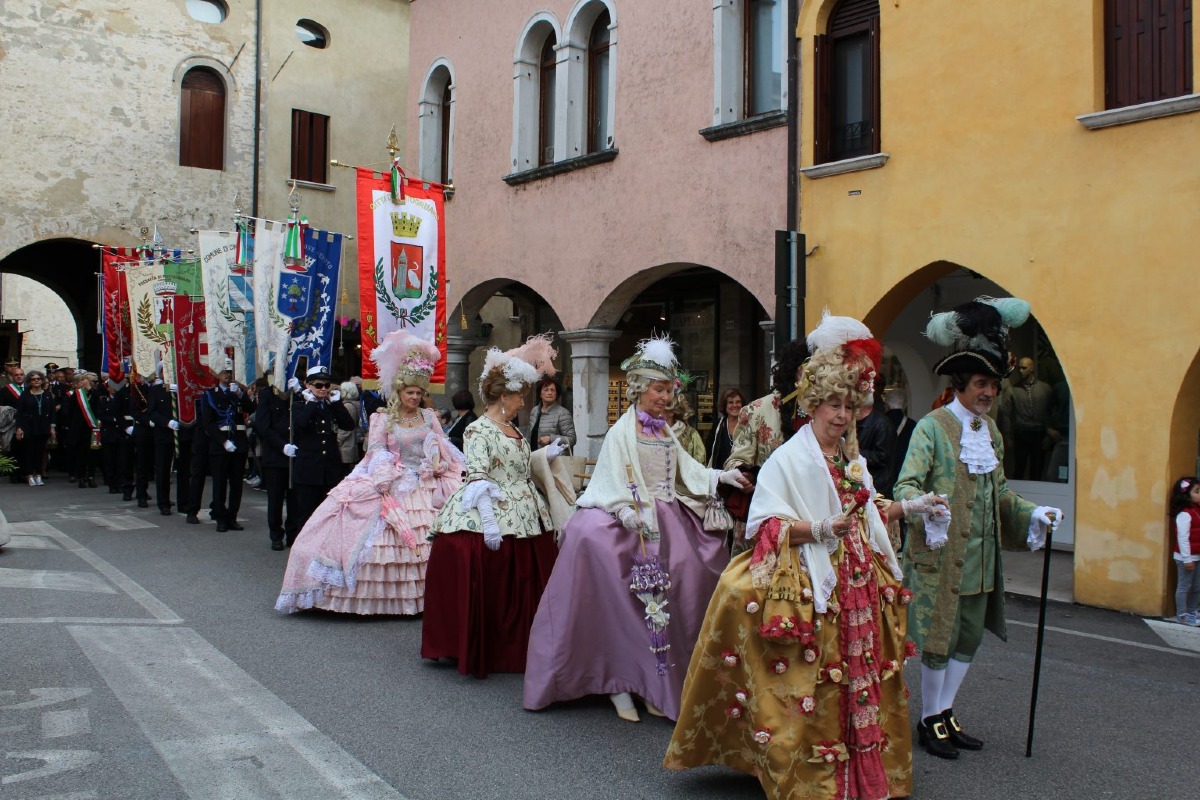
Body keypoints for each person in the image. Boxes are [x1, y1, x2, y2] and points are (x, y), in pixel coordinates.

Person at [665, 315, 938, 800]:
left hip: (855, 573)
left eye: (847, 406)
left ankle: (856, 768)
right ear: (812, 405)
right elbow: (764, 524)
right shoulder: (788, 458)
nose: (840, 415)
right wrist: (818, 528)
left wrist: (909, 507)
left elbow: (867, 510)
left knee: (859, 673)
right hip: (811, 575)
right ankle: (809, 777)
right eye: (832, 404)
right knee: (812, 679)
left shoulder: (849, 459)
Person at [524, 335, 752, 722]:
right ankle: (619, 681)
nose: (665, 397)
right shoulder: (621, 431)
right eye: (659, 390)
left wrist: (721, 476)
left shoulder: (665, 431)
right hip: (627, 515)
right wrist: (624, 511)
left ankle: (656, 679)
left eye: (668, 390)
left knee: (686, 576)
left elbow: (687, 471)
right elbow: (610, 478)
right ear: (641, 391)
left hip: (665, 515)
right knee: (618, 585)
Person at [893, 297, 1063, 760]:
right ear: (961, 385)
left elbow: (1001, 491)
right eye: (982, 384)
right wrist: (927, 506)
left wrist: (1032, 514)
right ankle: (930, 718)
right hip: (941, 555)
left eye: (994, 385)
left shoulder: (993, 433)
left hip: (982, 561)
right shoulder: (931, 427)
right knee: (937, 639)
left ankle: (946, 712)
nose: (989, 393)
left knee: (967, 638)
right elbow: (906, 484)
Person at [276, 332, 465, 613]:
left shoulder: (428, 417)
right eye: (410, 392)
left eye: (419, 392)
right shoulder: (383, 418)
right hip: (393, 478)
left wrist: (447, 465)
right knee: (370, 536)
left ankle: (432, 600)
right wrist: (383, 476)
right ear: (399, 392)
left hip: (427, 483)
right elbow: (376, 450)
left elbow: (443, 446)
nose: (415, 397)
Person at [422, 334, 563, 677]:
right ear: (503, 396)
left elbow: (517, 465)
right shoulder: (478, 430)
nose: (522, 402)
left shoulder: (511, 426)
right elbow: (479, 477)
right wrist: (488, 520)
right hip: (496, 508)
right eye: (519, 396)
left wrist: (547, 454)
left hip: (527, 509)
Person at [722, 340, 812, 556]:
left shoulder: (826, 412)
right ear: (795, 370)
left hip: (812, 513)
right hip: (768, 512)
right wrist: (744, 476)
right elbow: (735, 460)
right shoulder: (756, 411)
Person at [288, 365, 356, 531]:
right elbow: (300, 424)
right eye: (318, 385)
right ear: (308, 385)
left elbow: (348, 425)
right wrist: (310, 404)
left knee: (329, 514)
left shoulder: (331, 406)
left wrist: (337, 404)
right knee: (306, 514)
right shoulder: (299, 405)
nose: (323, 389)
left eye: (327, 385)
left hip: (330, 469)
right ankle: (303, 552)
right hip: (308, 470)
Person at [201, 366, 255, 531]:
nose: (228, 375)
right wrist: (223, 442)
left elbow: (252, 409)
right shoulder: (210, 394)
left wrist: (240, 394)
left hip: (238, 442)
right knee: (220, 483)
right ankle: (220, 517)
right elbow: (208, 423)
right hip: (220, 445)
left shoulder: (237, 392)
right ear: (217, 374)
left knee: (237, 484)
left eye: (230, 372)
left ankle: (232, 517)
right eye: (224, 372)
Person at [254, 382, 299, 550]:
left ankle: (292, 533)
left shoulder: (297, 393)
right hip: (275, 455)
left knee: (294, 498)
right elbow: (263, 426)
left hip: (294, 454)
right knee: (275, 498)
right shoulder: (268, 395)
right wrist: (282, 446)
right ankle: (276, 535)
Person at [998, 356, 1054, 480]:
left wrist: (1049, 435)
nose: (1021, 371)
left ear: (1032, 369)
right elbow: (1005, 414)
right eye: (1019, 368)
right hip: (1021, 432)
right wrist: (1007, 437)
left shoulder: (1045, 389)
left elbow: (1051, 412)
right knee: (1019, 467)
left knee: (1038, 468)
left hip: (1039, 433)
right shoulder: (1013, 390)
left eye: (1024, 368)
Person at [13, 370, 55, 486]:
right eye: (33, 379)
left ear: (42, 380)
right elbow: (20, 413)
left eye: (38, 379)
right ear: (30, 381)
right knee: (29, 452)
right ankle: (29, 475)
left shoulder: (47, 394)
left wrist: (52, 427)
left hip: (43, 427)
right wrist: (19, 428)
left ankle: (38, 475)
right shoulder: (25, 395)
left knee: (40, 452)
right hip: (28, 427)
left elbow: (52, 412)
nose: (36, 381)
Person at [855, 390, 898, 498]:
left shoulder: (882, 424)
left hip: (878, 488)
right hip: (864, 484)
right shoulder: (856, 422)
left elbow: (882, 457)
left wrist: (854, 452)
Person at [1170, 477, 1200, 626]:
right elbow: (1182, 538)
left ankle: (1192, 611)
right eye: (1197, 491)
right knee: (1184, 586)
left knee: (1196, 587)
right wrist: (1187, 559)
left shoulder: (1196, 510)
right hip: (1185, 558)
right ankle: (1182, 614)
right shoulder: (1185, 514)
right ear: (1186, 495)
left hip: (1197, 556)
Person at [63, 372, 101, 489]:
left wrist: (90, 389)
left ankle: (91, 476)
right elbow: (69, 411)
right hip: (79, 429)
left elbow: (98, 406)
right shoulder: (77, 395)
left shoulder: (95, 394)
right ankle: (81, 477)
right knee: (81, 454)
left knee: (92, 454)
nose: (85, 383)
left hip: (92, 428)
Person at [524, 375, 575, 451]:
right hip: (535, 456)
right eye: (546, 390)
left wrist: (551, 439)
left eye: (552, 390)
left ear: (556, 394)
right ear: (540, 394)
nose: (549, 393)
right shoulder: (534, 411)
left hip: (554, 459)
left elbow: (572, 439)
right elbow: (529, 435)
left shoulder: (563, 413)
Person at [705, 385, 746, 469]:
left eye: (738, 402)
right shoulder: (718, 425)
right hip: (720, 476)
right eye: (730, 402)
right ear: (725, 405)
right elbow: (709, 450)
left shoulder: (747, 425)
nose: (735, 405)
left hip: (742, 476)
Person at [664, 391, 705, 464]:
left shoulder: (691, 435)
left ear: (671, 412)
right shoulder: (649, 432)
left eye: (661, 407)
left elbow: (699, 463)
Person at [336, 380, 361, 477]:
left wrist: (337, 441)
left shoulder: (347, 406)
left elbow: (345, 428)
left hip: (346, 446)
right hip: (352, 443)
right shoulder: (357, 403)